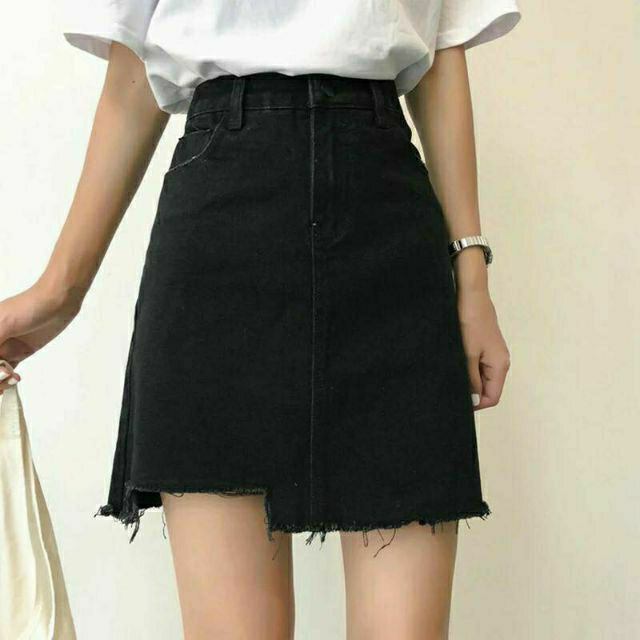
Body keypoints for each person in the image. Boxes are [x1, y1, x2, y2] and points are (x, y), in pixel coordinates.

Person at [0, 1, 520, 638]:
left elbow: (440, 51)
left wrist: (472, 278)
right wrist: (60, 291)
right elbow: (132, 69)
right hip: (219, 227)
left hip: (388, 227)